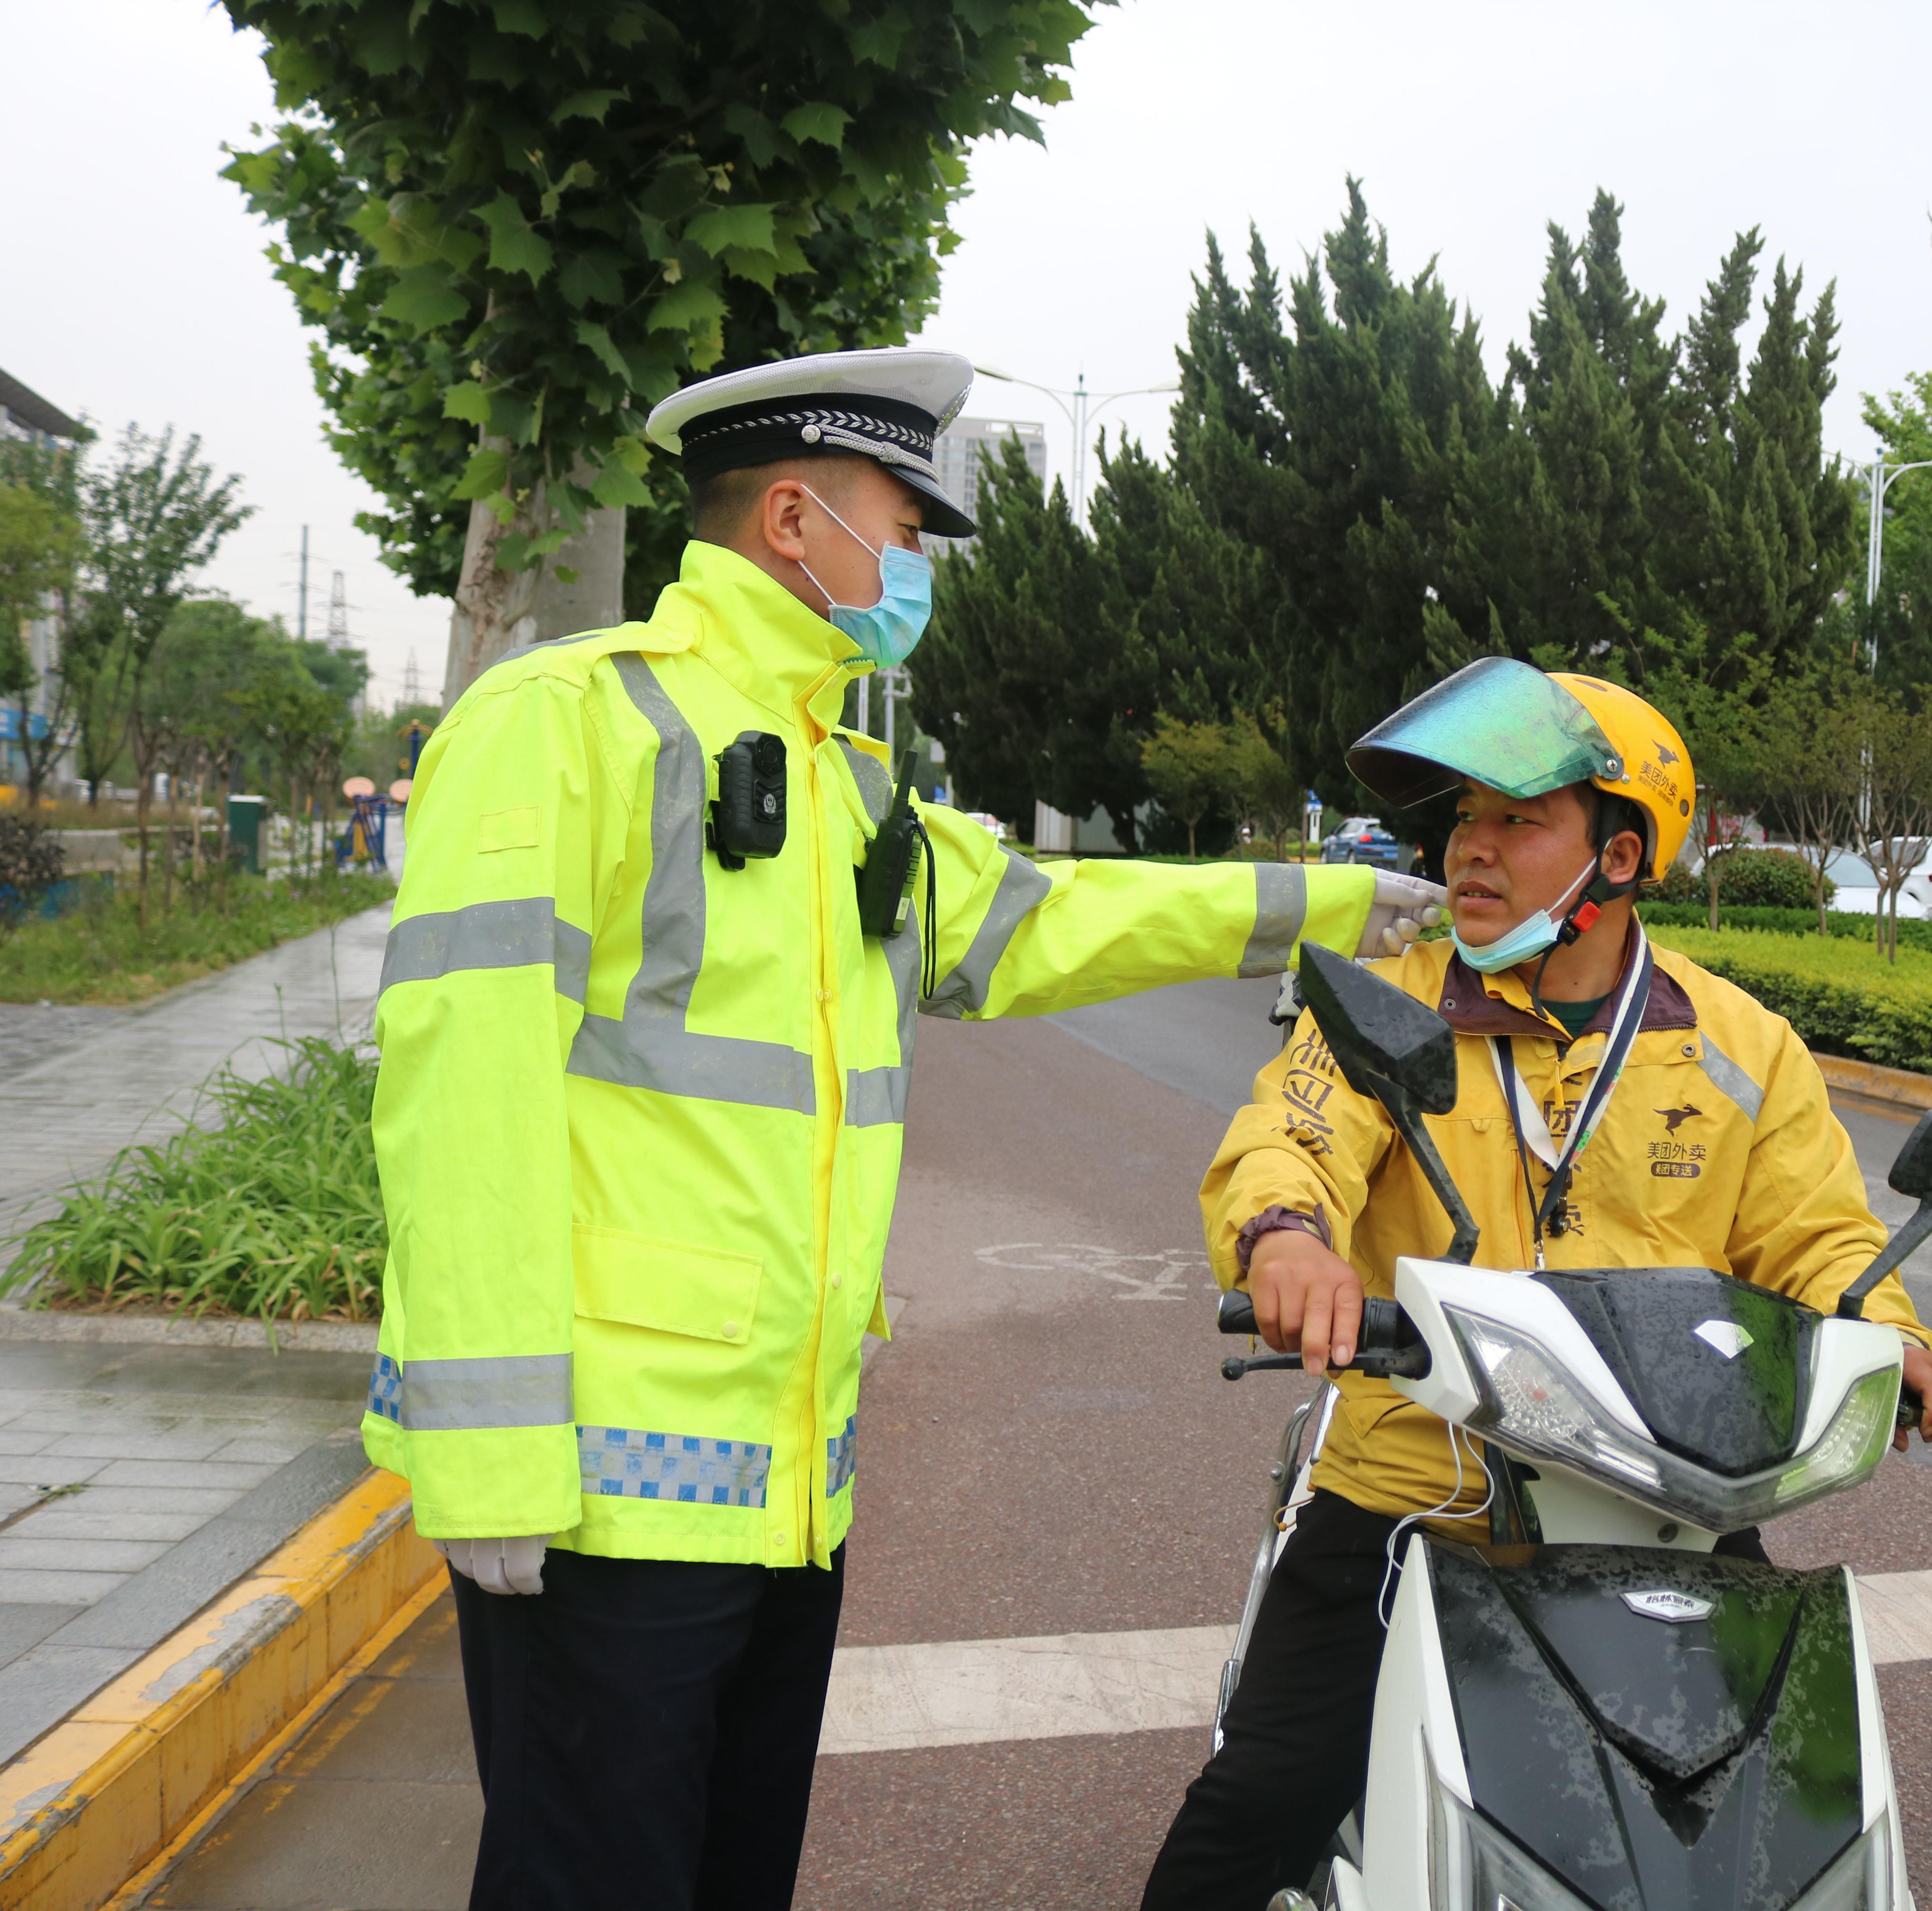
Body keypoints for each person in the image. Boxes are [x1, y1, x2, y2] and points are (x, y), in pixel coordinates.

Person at [365, 347, 1446, 1911]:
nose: (922, 563)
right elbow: (464, 1101)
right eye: (906, 521)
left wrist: (1337, 902)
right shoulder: (563, 727)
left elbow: (1046, 922)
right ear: (796, 520)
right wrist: (490, 1465)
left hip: (786, 1494)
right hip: (594, 1501)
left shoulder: (848, 781)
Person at [1138, 657, 1932, 1911]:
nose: (1470, 852)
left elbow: (1822, 1243)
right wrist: (1288, 1243)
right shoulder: (1389, 1005)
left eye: (1518, 821)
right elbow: (1294, 1139)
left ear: (1625, 856)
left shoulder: (1742, 1049)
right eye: (1464, 822)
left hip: (1671, 1500)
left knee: (1761, 1821)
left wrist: (1898, 1342)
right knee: (1261, 1803)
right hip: (1421, 1496)